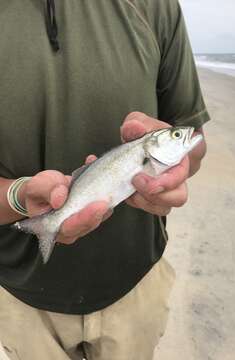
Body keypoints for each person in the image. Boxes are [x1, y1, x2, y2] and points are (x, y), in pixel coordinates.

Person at [0, 0, 210, 359]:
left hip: (137, 285)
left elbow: (193, 139)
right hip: (21, 298)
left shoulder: (155, 6)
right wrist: (18, 197)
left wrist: (180, 165)